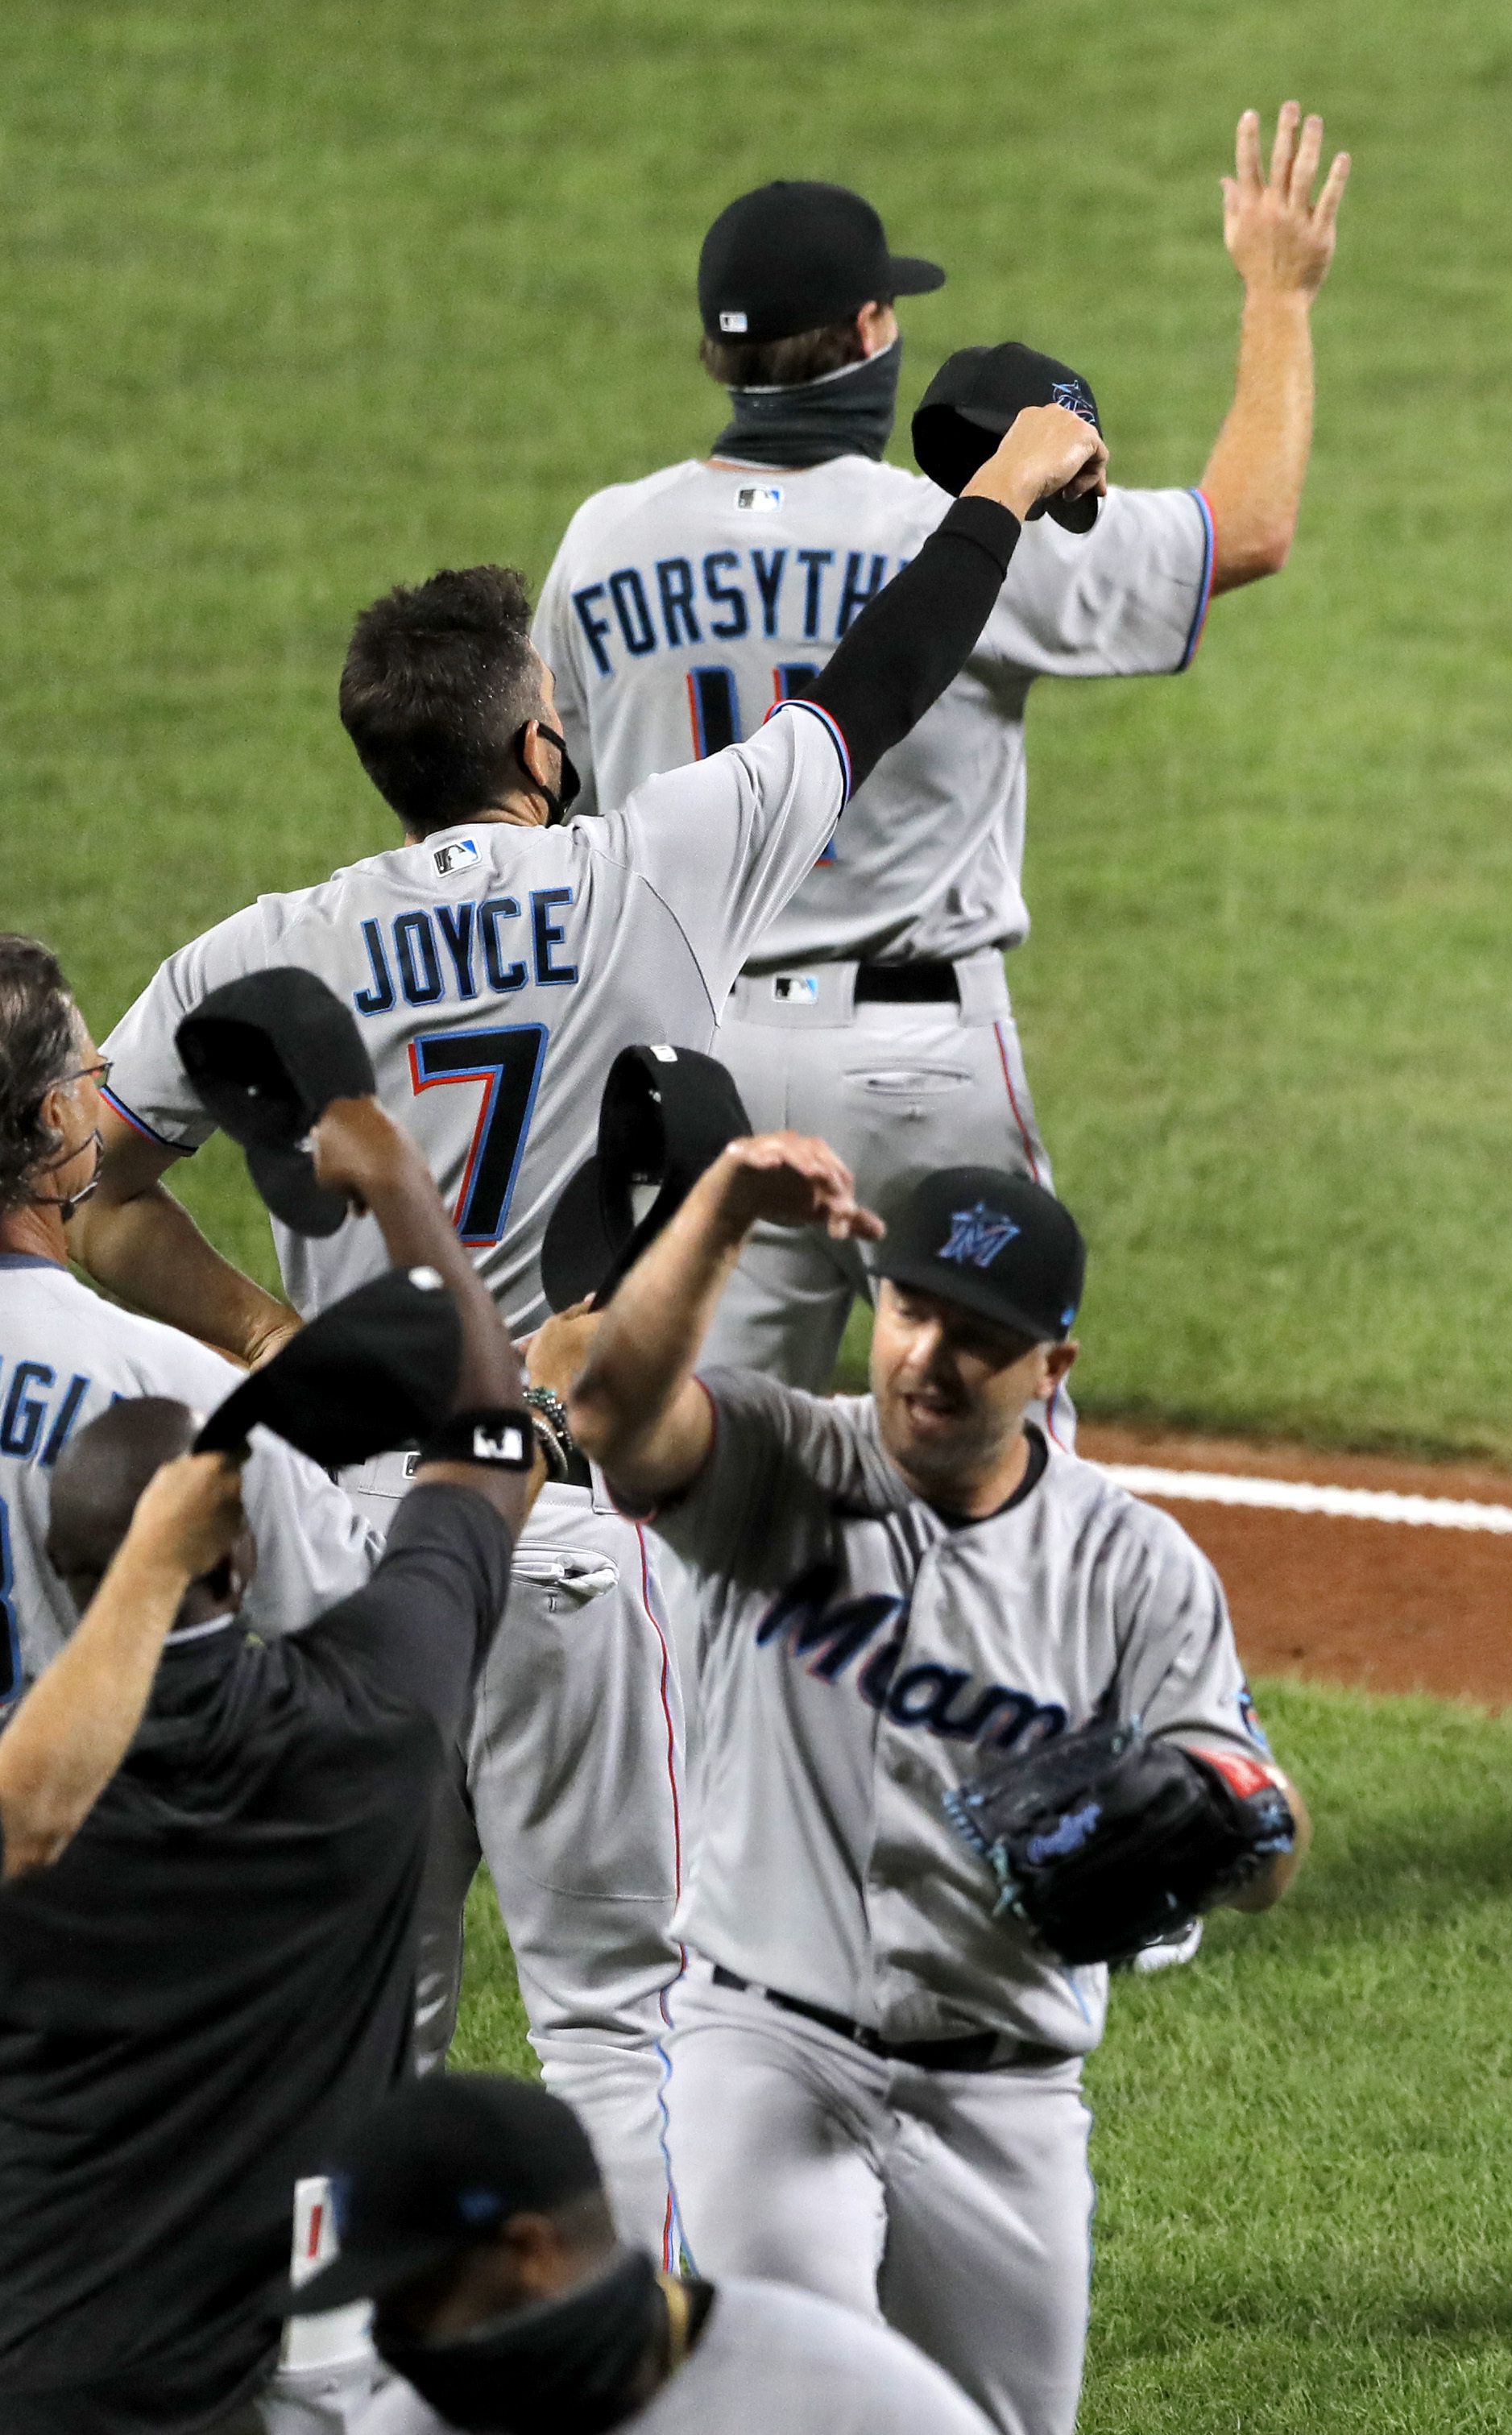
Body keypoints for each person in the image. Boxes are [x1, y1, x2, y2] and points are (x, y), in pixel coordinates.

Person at [73, 404, 1110, 2248]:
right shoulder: (649, 864)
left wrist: (272, 1341)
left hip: (331, 1546)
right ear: (538, 739)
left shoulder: (252, 953)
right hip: (547, 1521)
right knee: (617, 2017)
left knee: (350, 2031)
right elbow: (873, 686)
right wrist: (1001, 495)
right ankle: (644, 2385)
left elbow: (93, 1184)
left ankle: (339, 2392)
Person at [535, 116, 1346, 1416]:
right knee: (1006, 1464)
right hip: (919, 1069)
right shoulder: (962, 530)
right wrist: (1277, 292)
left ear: (720, 354)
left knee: (705, 1464)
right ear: (869, 333)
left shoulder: (601, 543)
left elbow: (549, 789)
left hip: (698, 1059)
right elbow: (1243, 530)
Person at [562, 1140, 1297, 2435]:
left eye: (978, 1334)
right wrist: (725, 1205)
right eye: (909, 1310)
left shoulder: (1134, 1565)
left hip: (1001, 2089)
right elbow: (615, 1414)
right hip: (767, 2046)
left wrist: (1220, 1812)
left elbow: (1258, 1821)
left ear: (1050, 1366)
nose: (926, 1357)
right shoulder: (771, 1459)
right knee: (795, 2410)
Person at [0, 1095, 538, 2435]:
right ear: (230, 1551)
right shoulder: (368, 1731)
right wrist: (407, 1195)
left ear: (79, 1575)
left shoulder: (30, 1841)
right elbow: (479, 1450)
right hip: (268, 2331)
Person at [0, 937, 376, 1688]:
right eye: (87, 1075)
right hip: (100, 1800)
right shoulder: (168, 1391)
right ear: (51, 1118)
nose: (103, 1080)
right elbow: (367, 1618)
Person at [286, 2073, 992, 2435]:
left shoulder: (841, 2396)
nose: (393, 2338)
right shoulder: (410, 2426)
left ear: (532, 2251)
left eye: (415, 2296)